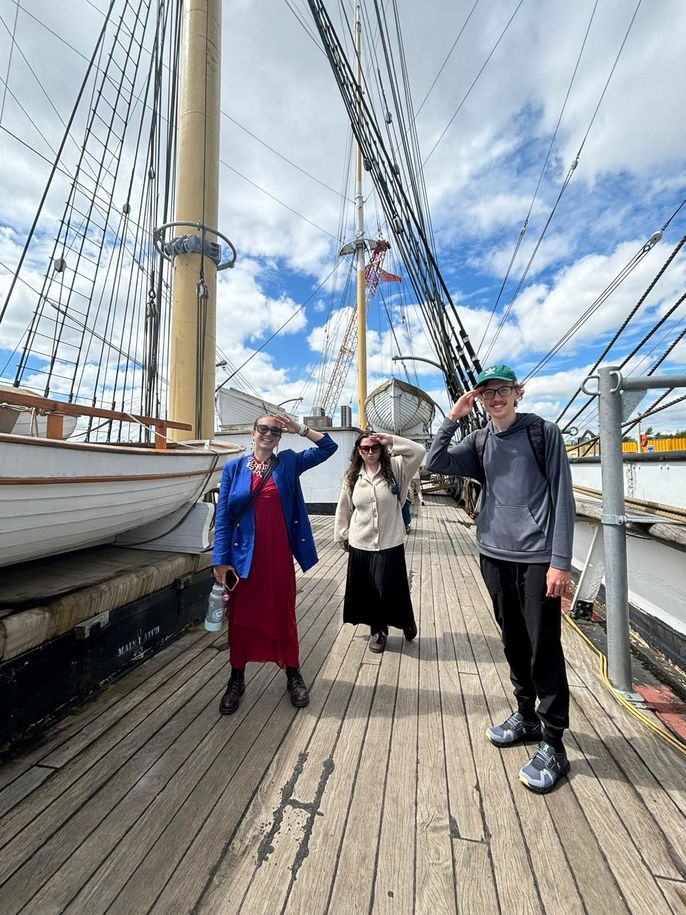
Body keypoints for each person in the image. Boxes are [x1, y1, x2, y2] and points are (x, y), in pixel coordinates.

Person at [425, 364, 575, 793]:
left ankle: (553, 743)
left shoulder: (542, 433)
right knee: (513, 640)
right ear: (480, 399)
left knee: (543, 645)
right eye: (487, 392)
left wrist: (559, 562)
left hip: (535, 557)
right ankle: (526, 715)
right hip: (492, 553)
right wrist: (453, 418)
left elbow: (562, 496)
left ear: (518, 392)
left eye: (503, 390)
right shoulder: (480, 438)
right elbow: (436, 462)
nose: (495, 398)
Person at [212, 413, 338, 715]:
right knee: (241, 618)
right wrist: (220, 561)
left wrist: (300, 429)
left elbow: (328, 448)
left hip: (278, 556)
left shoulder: (289, 463)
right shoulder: (233, 469)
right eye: (263, 429)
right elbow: (223, 519)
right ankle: (236, 678)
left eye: (275, 431)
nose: (269, 434)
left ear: (280, 437)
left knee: (283, 614)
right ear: (252, 434)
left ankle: (292, 672)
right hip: (243, 559)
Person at [334, 432, 425, 653]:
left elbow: (419, 451)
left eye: (374, 448)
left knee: (391, 587)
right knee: (369, 590)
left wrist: (389, 439)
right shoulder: (352, 476)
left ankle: (406, 621)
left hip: (390, 540)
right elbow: (344, 506)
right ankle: (379, 630)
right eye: (365, 448)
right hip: (361, 541)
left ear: (381, 449)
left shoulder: (396, 468)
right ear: (358, 451)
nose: (370, 452)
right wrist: (341, 534)